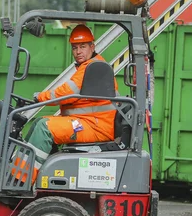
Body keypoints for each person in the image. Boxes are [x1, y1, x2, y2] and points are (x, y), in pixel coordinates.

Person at [12, 24, 118, 184]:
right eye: (75, 48)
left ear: (92, 46)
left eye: (83, 46)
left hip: (95, 126)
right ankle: (20, 173)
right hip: (90, 123)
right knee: (39, 122)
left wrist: (40, 97)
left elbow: (66, 93)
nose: (78, 51)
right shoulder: (88, 66)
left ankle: (20, 181)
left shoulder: (91, 67)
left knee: (44, 128)